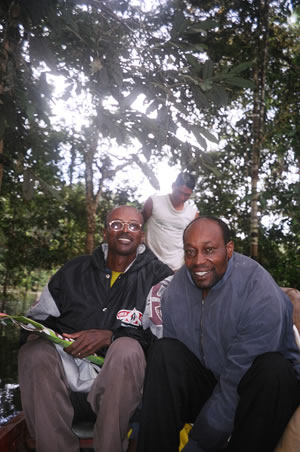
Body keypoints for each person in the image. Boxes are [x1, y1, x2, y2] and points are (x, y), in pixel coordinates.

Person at [137, 215, 300, 452]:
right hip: (211, 384)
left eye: (209, 250)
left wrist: (198, 444)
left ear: (229, 249)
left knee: (273, 369)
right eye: (190, 252)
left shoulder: (259, 291)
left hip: (260, 393)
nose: (198, 261)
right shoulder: (175, 290)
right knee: (165, 352)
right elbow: (176, 369)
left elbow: (236, 378)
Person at [18, 205, 173, 452]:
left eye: (133, 225)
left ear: (141, 235)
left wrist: (111, 337)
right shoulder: (73, 271)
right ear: (105, 232)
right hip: (65, 386)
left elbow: (165, 339)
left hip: (124, 394)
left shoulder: (159, 277)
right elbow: (39, 319)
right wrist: (35, 334)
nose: (125, 230)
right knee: (33, 352)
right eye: (116, 224)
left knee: (126, 348)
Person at [142, 171, 198, 271]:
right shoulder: (154, 202)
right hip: (148, 263)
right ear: (173, 186)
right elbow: (138, 225)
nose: (182, 197)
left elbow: (193, 242)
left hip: (175, 268)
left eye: (186, 195)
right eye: (179, 192)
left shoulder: (192, 214)